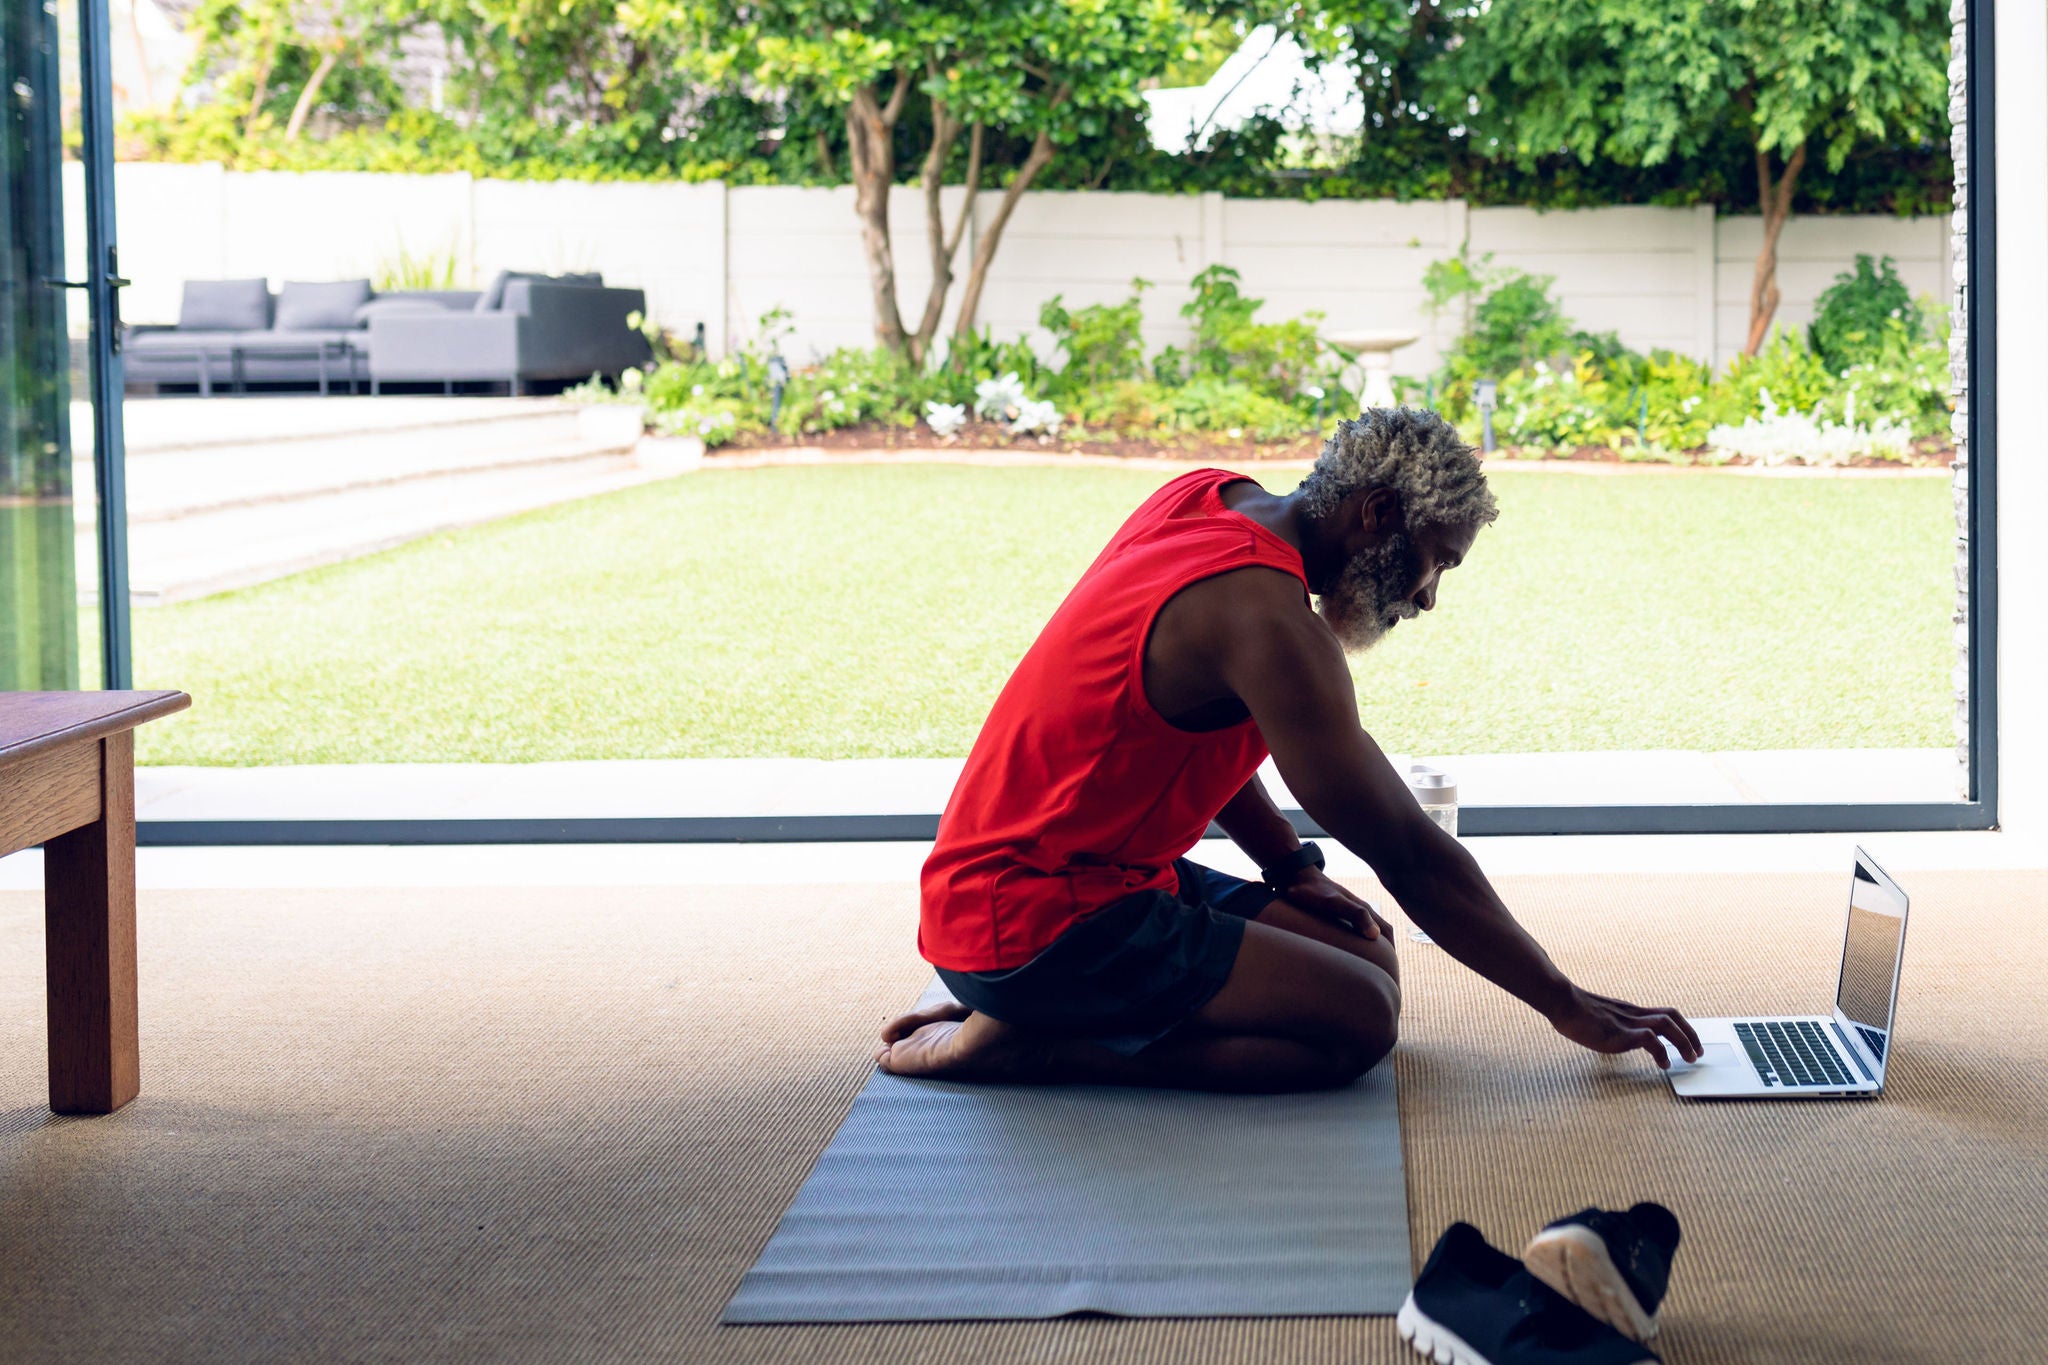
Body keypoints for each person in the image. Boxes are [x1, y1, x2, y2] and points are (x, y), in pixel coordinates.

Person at [878, 408, 1702, 1093]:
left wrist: (1288, 867)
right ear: (1376, 514)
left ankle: (1045, 1012)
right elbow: (1411, 855)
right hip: (1031, 920)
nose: (1428, 598)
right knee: (1358, 1024)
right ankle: (1036, 1042)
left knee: (1367, 954)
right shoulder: (1271, 624)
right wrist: (1564, 1002)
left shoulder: (1206, 497)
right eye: (1434, 562)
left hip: (1084, 880)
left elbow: (1182, 725)